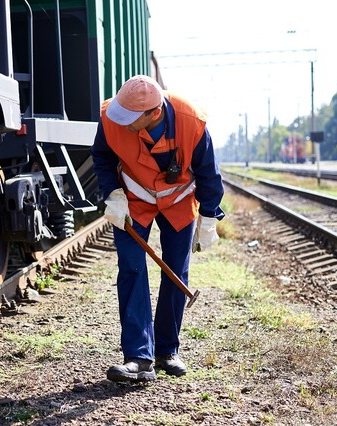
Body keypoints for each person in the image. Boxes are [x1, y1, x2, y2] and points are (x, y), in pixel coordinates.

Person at [90, 75, 225, 382]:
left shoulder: (192, 121)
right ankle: (138, 357)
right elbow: (101, 156)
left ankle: (167, 350)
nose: (121, 121)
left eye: (130, 118)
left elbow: (208, 172)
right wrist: (112, 193)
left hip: (177, 201)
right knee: (132, 268)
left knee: (175, 270)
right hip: (133, 200)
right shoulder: (113, 115)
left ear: (154, 113)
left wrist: (209, 215)